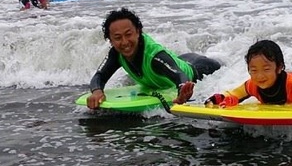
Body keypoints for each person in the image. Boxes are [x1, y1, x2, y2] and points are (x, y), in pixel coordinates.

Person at [86, 7, 221, 108]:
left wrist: (182, 92)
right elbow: (99, 76)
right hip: (181, 60)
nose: (125, 42)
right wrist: (97, 91)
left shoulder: (154, 57)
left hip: (203, 69)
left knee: (227, 67)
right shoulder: (116, 54)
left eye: (128, 34)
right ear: (110, 40)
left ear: (138, 32)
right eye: (117, 37)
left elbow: (179, 76)